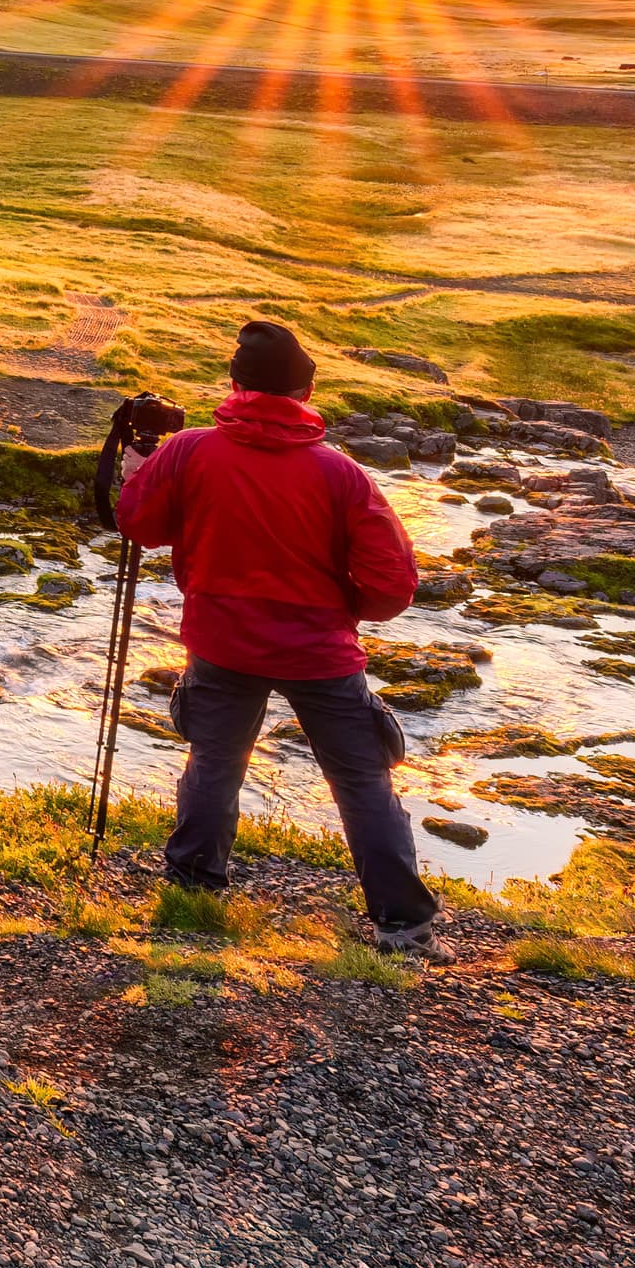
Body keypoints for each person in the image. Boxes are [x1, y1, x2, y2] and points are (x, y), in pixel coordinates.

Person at [113, 317, 438, 947]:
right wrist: (344, 608)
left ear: (235, 383)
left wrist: (134, 472)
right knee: (362, 779)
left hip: (221, 641)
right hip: (319, 652)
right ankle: (403, 925)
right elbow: (393, 583)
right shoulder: (340, 474)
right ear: (305, 393)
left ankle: (192, 892)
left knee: (215, 761)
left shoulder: (189, 450)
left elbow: (141, 526)